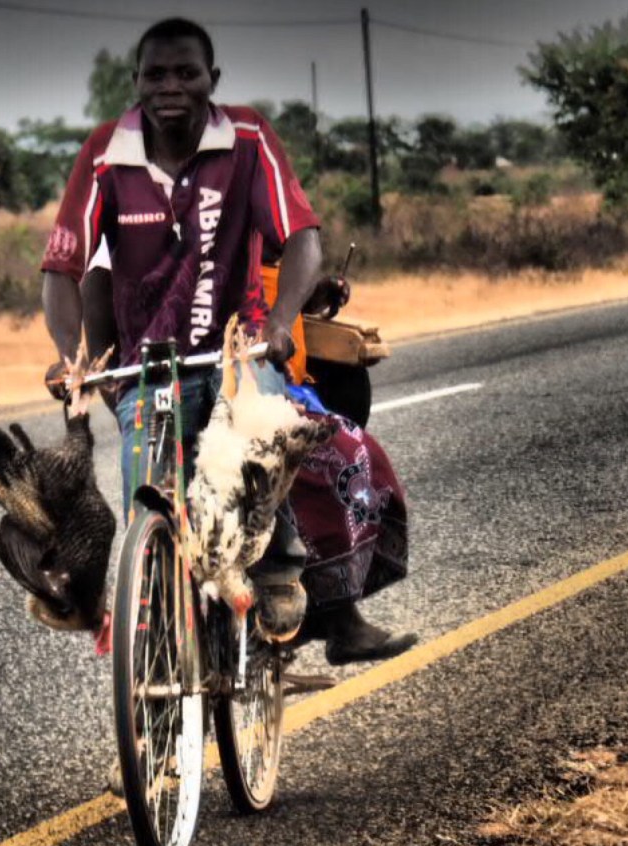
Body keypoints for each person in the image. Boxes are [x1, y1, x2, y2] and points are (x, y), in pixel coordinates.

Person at [40, 17, 416, 664]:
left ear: (212, 80)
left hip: (239, 348)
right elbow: (63, 267)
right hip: (146, 365)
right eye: (156, 74)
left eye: (187, 73)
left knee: (262, 439)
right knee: (147, 502)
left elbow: (302, 237)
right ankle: (149, 690)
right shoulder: (105, 153)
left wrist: (277, 325)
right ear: (136, 83)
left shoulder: (246, 137)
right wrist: (74, 357)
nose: (171, 87)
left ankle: (284, 581)